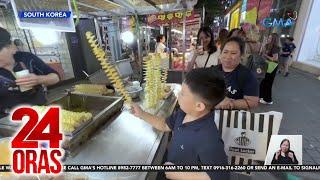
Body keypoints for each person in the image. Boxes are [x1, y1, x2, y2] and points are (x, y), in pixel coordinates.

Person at [131, 68, 229, 180]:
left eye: (182, 93)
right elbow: (164, 125)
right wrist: (142, 114)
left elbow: (220, 176)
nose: (178, 93)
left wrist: (177, 174)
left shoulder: (208, 139)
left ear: (199, 106)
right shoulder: (182, 113)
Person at [0, 27, 60, 118]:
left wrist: (39, 79)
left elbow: (56, 77)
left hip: (40, 114)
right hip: (8, 122)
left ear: (11, 47)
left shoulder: (27, 58)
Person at [213, 37, 259, 110]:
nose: (228, 56)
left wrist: (231, 103)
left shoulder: (247, 75)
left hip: (235, 118)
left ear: (241, 55)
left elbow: (253, 102)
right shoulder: (213, 71)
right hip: (211, 117)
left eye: (233, 53)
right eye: (225, 52)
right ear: (221, 53)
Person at [259, 33, 281, 105]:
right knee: (264, 81)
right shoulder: (268, 46)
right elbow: (262, 53)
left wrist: (265, 55)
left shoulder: (275, 47)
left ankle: (268, 100)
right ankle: (262, 96)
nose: (268, 39)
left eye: (270, 38)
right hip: (269, 65)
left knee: (268, 82)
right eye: (268, 37)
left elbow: (275, 59)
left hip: (272, 65)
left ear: (273, 40)